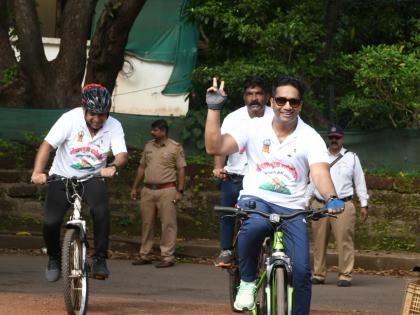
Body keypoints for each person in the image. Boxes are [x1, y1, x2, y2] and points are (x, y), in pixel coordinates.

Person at [204, 76, 345, 314]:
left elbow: (320, 172)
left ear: (300, 104)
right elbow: (214, 147)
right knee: (254, 227)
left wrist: (331, 197)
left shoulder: (310, 137)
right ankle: (247, 281)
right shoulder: (253, 127)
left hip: (293, 208)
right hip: (257, 199)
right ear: (272, 101)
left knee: (301, 270)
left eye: (294, 101)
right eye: (281, 100)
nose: (287, 106)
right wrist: (214, 109)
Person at [31, 83, 128, 282]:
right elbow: (47, 146)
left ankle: (100, 259)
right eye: (92, 113)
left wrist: (113, 166)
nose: (97, 119)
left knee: (101, 213)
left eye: (102, 114)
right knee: (50, 222)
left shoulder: (114, 126)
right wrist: (38, 172)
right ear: (84, 109)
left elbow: (122, 155)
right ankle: (54, 258)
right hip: (62, 177)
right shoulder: (69, 119)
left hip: (93, 178)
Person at [212, 75, 273, 267]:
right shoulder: (233, 118)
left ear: (267, 96)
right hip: (235, 175)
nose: (254, 98)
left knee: (273, 215)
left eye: (259, 94)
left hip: (265, 178)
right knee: (228, 211)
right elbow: (220, 146)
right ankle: (226, 250)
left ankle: (273, 248)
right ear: (244, 97)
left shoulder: (276, 117)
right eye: (250, 94)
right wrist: (218, 167)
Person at [305, 125, 369, 287]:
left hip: (343, 204)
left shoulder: (352, 157)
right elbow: (313, 181)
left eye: (337, 137)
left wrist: (364, 204)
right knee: (318, 242)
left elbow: (359, 182)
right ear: (328, 139)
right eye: (331, 137)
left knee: (344, 241)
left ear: (342, 138)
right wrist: (305, 202)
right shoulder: (319, 157)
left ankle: (345, 275)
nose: (334, 140)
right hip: (320, 204)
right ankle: (318, 274)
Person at [130, 119, 186, 268]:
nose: (152, 132)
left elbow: (181, 169)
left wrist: (180, 191)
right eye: (152, 130)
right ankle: (145, 254)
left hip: (167, 190)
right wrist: (135, 187)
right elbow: (142, 167)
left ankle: (167, 256)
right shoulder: (148, 146)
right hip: (148, 189)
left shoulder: (175, 147)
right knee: (147, 223)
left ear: (163, 131)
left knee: (168, 223)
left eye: (155, 130)